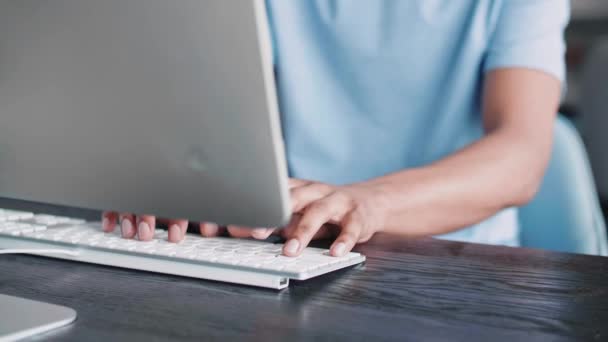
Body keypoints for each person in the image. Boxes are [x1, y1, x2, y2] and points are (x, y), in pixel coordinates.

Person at [102, 0, 569, 258]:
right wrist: (184, 179)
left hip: (457, 260)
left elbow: (521, 156)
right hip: (292, 247)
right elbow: (210, 111)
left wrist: (367, 203)